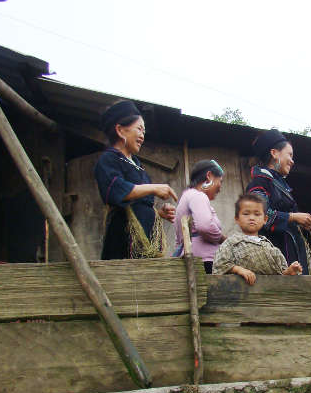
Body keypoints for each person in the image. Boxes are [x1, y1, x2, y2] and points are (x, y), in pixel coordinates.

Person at [94, 100, 178, 260]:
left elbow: (140, 207)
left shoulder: (138, 166)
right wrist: (153, 188)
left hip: (144, 240)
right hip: (123, 240)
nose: (142, 135)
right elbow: (116, 191)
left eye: (144, 131)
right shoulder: (109, 160)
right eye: (139, 129)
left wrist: (158, 214)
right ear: (120, 130)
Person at [246, 129, 311, 275]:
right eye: (289, 155)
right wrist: (294, 217)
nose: (292, 161)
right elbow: (260, 218)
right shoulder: (259, 182)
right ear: (274, 153)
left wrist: (304, 222)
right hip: (276, 259)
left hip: (293, 256)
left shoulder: (280, 185)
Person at [213, 193, 303, 285]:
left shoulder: (270, 248)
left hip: (267, 295)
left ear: (265, 219)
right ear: (237, 219)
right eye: (246, 214)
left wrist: (289, 271)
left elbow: (280, 274)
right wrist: (239, 270)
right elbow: (219, 264)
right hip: (241, 294)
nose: (251, 218)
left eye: (257, 214)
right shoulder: (231, 243)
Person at [173, 159, 226, 273]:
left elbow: (178, 241)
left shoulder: (187, 196)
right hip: (204, 263)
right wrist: (223, 239)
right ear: (209, 176)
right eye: (220, 181)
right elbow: (205, 226)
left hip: (193, 260)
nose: (220, 188)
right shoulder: (198, 196)